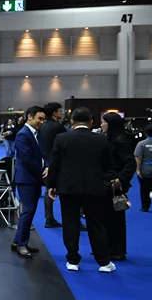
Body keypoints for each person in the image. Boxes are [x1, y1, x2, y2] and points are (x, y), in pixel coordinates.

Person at [46, 107, 116, 273]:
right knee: (96, 224)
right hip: (94, 187)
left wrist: (51, 185)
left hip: (67, 187)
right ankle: (104, 262)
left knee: (70, 223)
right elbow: (110, 166)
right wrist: (104, 181)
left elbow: (54, 165)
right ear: (91, 122)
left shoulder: (61, 138)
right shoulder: (101, 140)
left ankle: (72, 260)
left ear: (71, 121)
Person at [11, 106, 47, 259]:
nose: (42, 122)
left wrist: (47, 167)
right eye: (40, 118)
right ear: (30, 117)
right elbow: (27, 159)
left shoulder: (36, 134)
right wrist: (42, 174)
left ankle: (18, 241)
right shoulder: (23, 134)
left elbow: (42, 154)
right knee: (28, 211)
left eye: (44, 119)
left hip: (33, 178)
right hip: (27, 179)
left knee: (29, 211)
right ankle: (22, 244)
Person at [101, 112, 136, 261]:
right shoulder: (109, 138)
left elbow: (130, 163)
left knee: (115, 219)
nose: (101, 125)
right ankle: (107, 247)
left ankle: (117, 250)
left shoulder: (121, 141)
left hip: (114, 184)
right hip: (106, 182)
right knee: (106, 217)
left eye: (104, 122)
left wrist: (120, 179)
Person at [39, 102, 67, 229]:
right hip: (59, 163)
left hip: (46, 162)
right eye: (60, 111)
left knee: (48, 191)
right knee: (66, 193)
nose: (62, 113)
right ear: (54, 113)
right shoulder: (59, 127)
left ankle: (49, 218)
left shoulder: (43, 126)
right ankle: (72, 220)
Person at [135, 123, 152, 212]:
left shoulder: (141, 144)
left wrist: (138, 169)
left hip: (145, 169)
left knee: (144, 189)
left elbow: (139, 157)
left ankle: (145, 207)